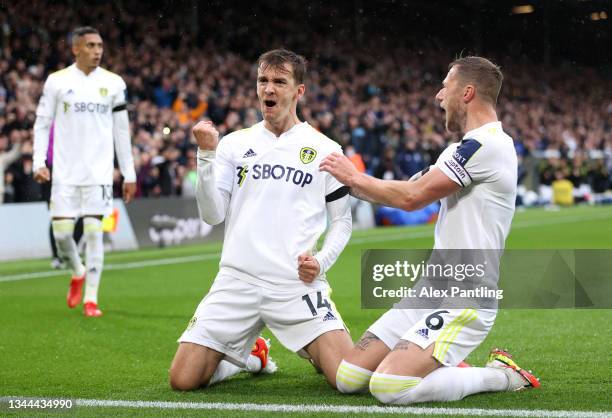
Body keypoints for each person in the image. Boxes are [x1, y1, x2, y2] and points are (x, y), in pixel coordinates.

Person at [320, 56, 540, 404]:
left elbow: (412, 198)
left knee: (388, 387)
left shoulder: (488, 146)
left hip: (465, 300)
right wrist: (339, 181)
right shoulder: (460, 150)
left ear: (467, 92)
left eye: (445, 86)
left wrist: (353, 176)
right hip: (428, 292)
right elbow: (400, 191)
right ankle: (434, 359)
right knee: (348, 377)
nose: (439, 96)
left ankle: (501, 375)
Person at [169, 49, 353, 391]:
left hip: (293, 285)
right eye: (263, 81)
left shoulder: (327, 149)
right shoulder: (235, 144)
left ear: (299, 91)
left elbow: (342, 222)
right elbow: (212, 215)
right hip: (237, 280)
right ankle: (253, 356)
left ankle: (314, 346)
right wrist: (206, 154)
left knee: (348, 380)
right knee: (183, 380)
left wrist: (321, 261)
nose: (269, 89)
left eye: (279, 82)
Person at [32, 26, 136, 317]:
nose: (97, 50)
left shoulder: (114, 83)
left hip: (99, 174)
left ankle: (91, 299)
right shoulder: (57, 81)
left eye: (100, 45)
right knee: (62, 235)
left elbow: (121, 131)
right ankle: (77, 270)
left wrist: (129, 173)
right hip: (64, 173)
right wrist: (38, 161)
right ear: (75, 48)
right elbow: (42, 123)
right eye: (90, 45)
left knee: (93, 232)